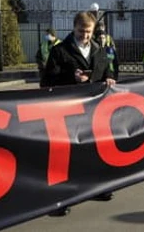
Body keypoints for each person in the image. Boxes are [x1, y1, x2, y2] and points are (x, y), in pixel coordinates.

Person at [41, 11, 116, 216]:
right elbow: (46, 82)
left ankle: (95, 189)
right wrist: (71, 76)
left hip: (92, 112)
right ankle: (58, 200)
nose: (85, 35)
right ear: (74, 28)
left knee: (92, 150)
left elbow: (107, 71)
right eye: (81, 31)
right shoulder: (59, 51)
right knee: (64, 156)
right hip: (65, 112)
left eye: (88, 31)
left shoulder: (98, 50)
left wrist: (109, 78)